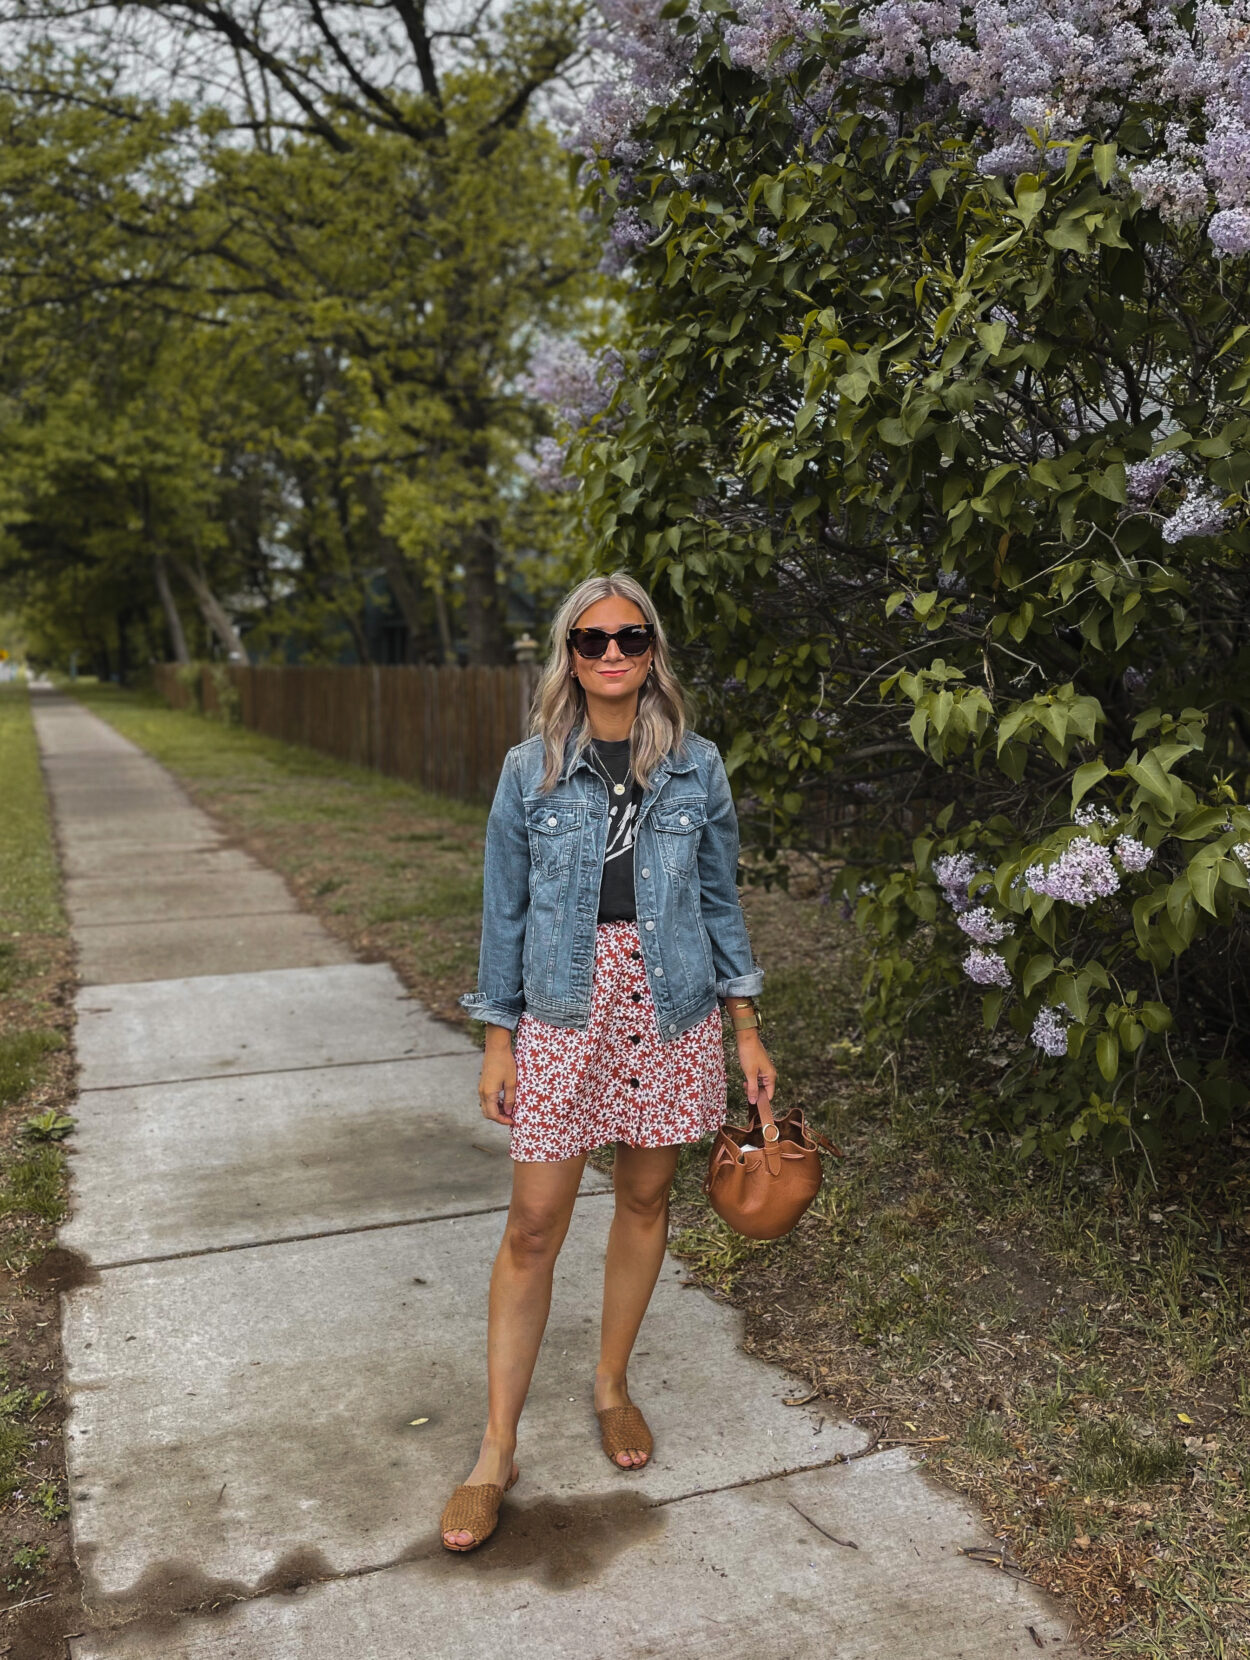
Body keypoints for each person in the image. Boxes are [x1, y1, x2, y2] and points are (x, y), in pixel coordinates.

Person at [444, 572, 775, 1552]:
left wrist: (744, 1026)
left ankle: (610, 1383)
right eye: (592, 640)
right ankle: (494, 1448)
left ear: (652, 649)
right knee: (532, 1222)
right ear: (570, 656)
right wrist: (497, 1036)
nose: (613, 653)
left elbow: (718, 903)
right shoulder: (527, 770)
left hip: (668, 1002)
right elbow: (502, 910)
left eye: (630, 636)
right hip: (560, 1005)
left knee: (642, 1200)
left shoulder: (695, 767)